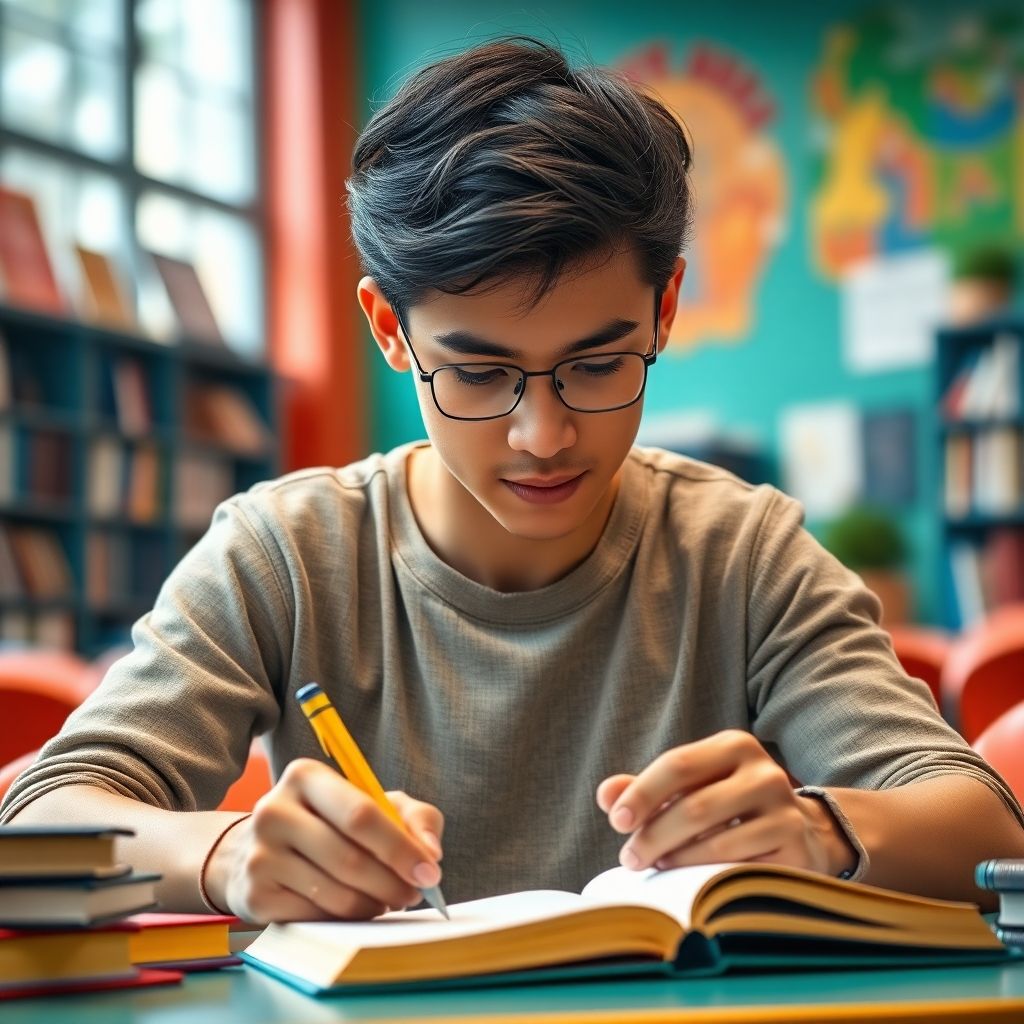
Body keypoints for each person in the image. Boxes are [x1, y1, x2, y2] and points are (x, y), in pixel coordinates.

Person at [3, 36, 1023, 924]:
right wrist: (223, 855)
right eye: (481, 373)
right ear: (389, 330)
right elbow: (35, 822)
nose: (543, 434)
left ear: (665, 308)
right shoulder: (288, 551)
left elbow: (984, 824)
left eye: (596, 363)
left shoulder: (742, 552)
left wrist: (818, 829)